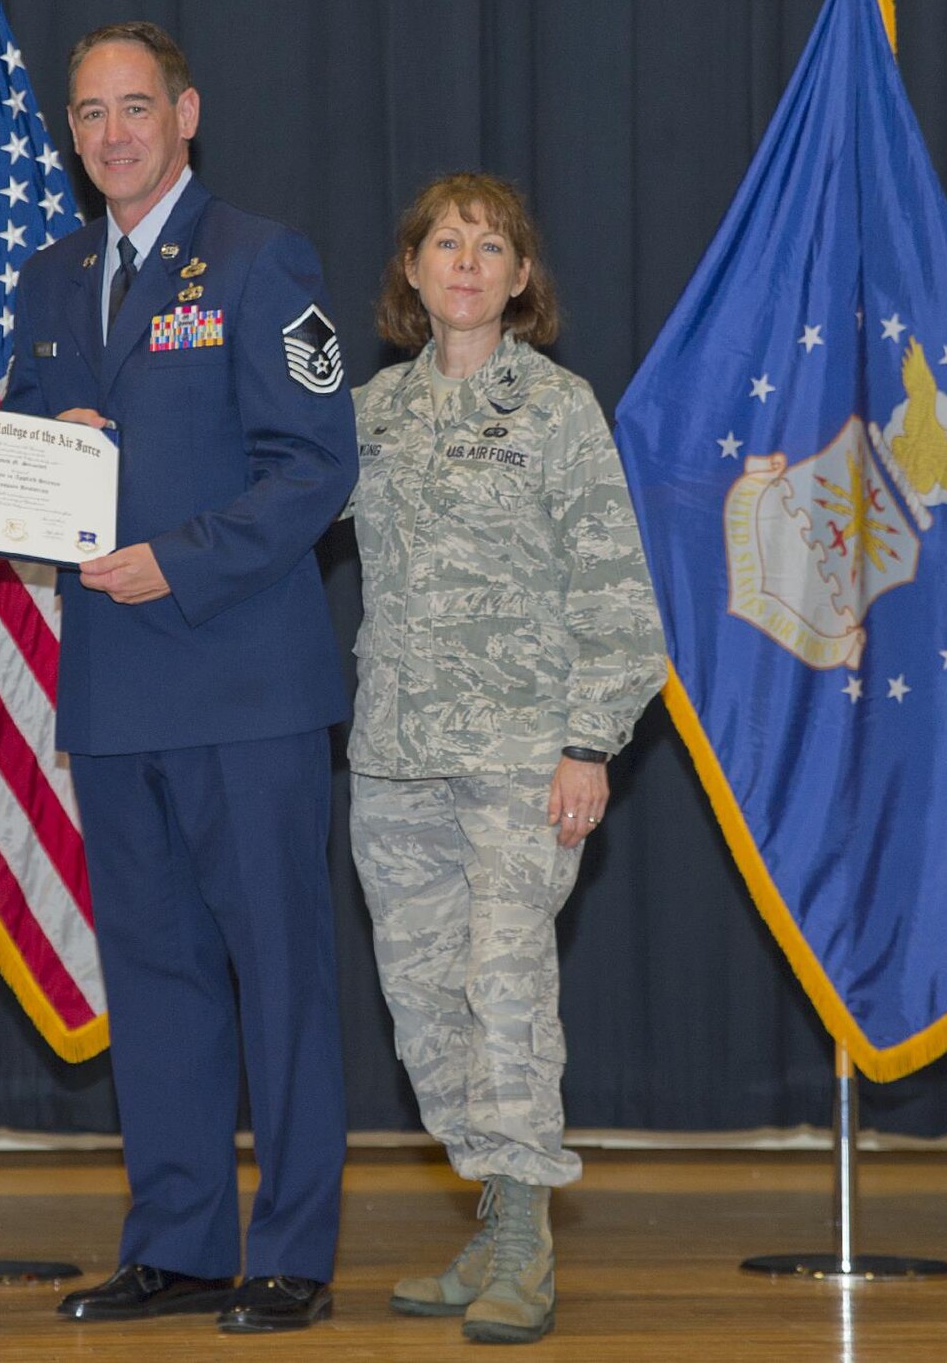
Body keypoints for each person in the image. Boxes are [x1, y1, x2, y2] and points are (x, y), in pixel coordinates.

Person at [1, 22, 359, 1333]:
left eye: (134, 106)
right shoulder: (49, 279)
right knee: (154, 976)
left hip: (245, 685)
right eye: (89, 113)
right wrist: (41, 451)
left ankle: (291, 1252)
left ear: (187, 111)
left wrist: (184, 560)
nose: (111, 134)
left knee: (280, 976)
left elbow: (317, 465)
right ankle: (182, 1239)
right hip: (111, 690)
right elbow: (19, 459)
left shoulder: (264, 260)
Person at [346, 172, 665, 1345]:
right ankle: (488, 1216)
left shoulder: (558, 409)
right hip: (394, 761)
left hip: (521, 762)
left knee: (505, 989)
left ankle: (524, 1233)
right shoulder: (370, 413)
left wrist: (590, 743)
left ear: (520, 278)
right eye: (443, 242)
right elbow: (269, 510)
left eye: (490, 245)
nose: (466, 261)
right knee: (423, 1003)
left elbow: (617, 595)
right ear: (412, 273)